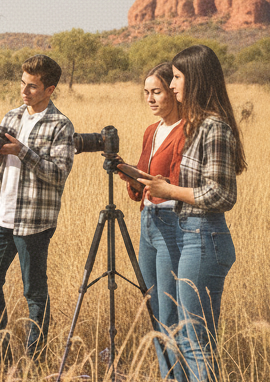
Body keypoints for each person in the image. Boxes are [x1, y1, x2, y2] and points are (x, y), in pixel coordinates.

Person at [141, 45, 245, 382]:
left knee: (195, 339)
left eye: (178, 78)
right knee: (184, 333)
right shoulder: (198, 125)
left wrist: (169, 191)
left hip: (204, 237)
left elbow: (221, 194)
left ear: (196, 80)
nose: (172, 86)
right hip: (189, 234)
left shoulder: (214, 127)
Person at [0, 54, 75, 364]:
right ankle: (2, 357)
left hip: (34, 221)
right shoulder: (12, 116)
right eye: (22, 84)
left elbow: (59, 173)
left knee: (34, 293)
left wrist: (23, 151)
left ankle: (35, 361)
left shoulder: (61, 125)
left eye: (32, 87)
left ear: (50, 89)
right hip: (0, 217)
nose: (24, 92)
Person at [117, 62, 186, 380]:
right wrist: (125, 170)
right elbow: (143, 183)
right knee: (153, 310)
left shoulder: (187, 129)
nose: (150, 98)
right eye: (146, 93)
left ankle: (180, 375)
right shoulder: (151, 130)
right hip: (147, 220)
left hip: (172, 222)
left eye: (156, 91)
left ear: (173, 90)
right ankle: (166, 374)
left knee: (170, 311)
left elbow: (174, 182)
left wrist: (146, 181)